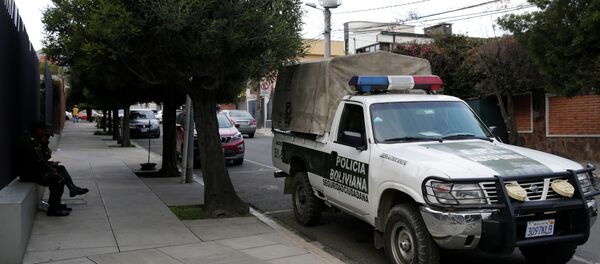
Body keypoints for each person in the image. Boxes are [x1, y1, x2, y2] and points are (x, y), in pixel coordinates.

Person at [16, 121, 88, 216]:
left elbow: (39, 160)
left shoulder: (34, 139)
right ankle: (53, 208)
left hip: (33, 168)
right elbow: (39, 160)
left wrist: (50, 162)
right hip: (28, 173)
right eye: (44, 131)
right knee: (58, 178)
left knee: (60, 168)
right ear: (38, 130)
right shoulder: (30, 140)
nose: (45, 133)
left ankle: (72, 189)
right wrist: (50, 166)